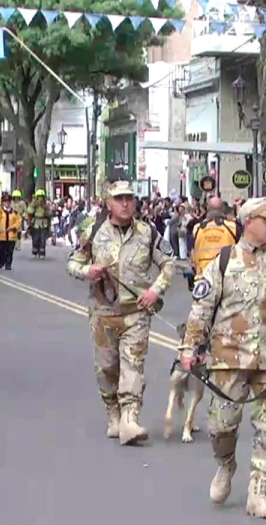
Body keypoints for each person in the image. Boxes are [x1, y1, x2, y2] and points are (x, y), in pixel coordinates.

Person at [179, 197, 266, 519]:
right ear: (249, 221)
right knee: (221, 426)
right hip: (229, 358)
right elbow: (202, 309)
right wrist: (189, 348)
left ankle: (258, 490)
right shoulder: (223, 261)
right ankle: (226, 465)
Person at [66, 181, 176, 444]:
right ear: (109, 203)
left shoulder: (148, 232)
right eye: (119, 199)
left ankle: (131, 418)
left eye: (129, 198)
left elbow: (169, 263)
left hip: (135, 312)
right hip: (103, 312)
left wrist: (155, 291)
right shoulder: (92, 230)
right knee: (106, 368)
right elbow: (73, 262)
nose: (125, 204)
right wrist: (87, 271)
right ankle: (114, 414)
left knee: (133, 366)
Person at [0, 194, 22, 270]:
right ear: (2, 202)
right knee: (1, 251)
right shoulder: (0, 211)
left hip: (11, 235)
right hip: (1, 235)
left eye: (8, 202)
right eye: (5, 202)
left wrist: (13, 227)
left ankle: (8, 264)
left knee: (10, 251)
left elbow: (18, 221)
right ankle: (1, 262)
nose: (7, 203)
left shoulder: (14, 212)